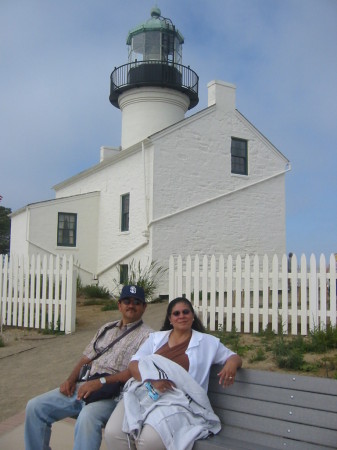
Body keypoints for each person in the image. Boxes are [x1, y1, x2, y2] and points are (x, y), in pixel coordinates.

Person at [24, 285, 153, 450]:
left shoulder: (149, 336)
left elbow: (136, 372)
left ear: (144, 307)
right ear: (119, 305)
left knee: (87, 417)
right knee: (35, 407)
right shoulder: (106, 328)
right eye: (127, 301)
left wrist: (101, 382)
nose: (131, 305)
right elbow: (86, 358)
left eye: (137, 302)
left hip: (114, 395)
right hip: (84, 386)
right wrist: (70, 379)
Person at [105, 297, 242, 450]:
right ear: (170, 319)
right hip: (146, 391)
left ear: (192, 316)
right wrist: (153, 380)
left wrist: (231, 364)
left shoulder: (207, 343)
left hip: (177, 401)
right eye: (176, 313)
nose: (181, 316)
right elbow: (134, 364)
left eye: (186, 312)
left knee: (148, 441)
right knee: (113, 433)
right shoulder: (156, 339)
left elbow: (234, 357)